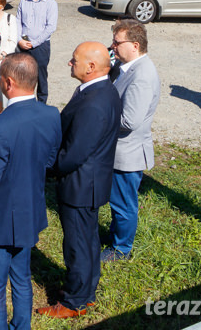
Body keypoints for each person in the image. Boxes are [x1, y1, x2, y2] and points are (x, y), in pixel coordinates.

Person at [0, 53, 61, 329]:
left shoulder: (0, 127)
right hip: (28, 212)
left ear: (7, 83)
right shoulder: (51, 114)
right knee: (22, 278)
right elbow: (49, 160)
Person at [37, 42, 121, 319]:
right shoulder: (101, 91)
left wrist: (46, 167)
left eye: (74, 60)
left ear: (91, 67)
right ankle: (86, 293)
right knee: (87, 241)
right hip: (90, 183)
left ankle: (73, 302)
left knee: (76, 244)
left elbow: (74, 154)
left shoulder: (95, 103)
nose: (69, 64)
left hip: (80, 185)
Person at [103, 18, 160, 261]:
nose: (112, 47)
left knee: (124, 204)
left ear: (135, 45)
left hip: (127, 153)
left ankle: (121, 249)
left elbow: (129, 121)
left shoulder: (142, 76)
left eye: (117, 43)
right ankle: (117, 238)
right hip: (120, 151)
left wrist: (98, 123)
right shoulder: (126, 67)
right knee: (118, 201)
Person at [16, 0, 58, 104]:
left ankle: (41, 104)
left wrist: (34, 43)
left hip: (40, 46)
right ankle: (24, 102)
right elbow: (18, 22)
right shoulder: (24, 1)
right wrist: (19, 40)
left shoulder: (50, 3)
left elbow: (50, 27)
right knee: (23, 75)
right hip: (23, 45)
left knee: (41, 76)